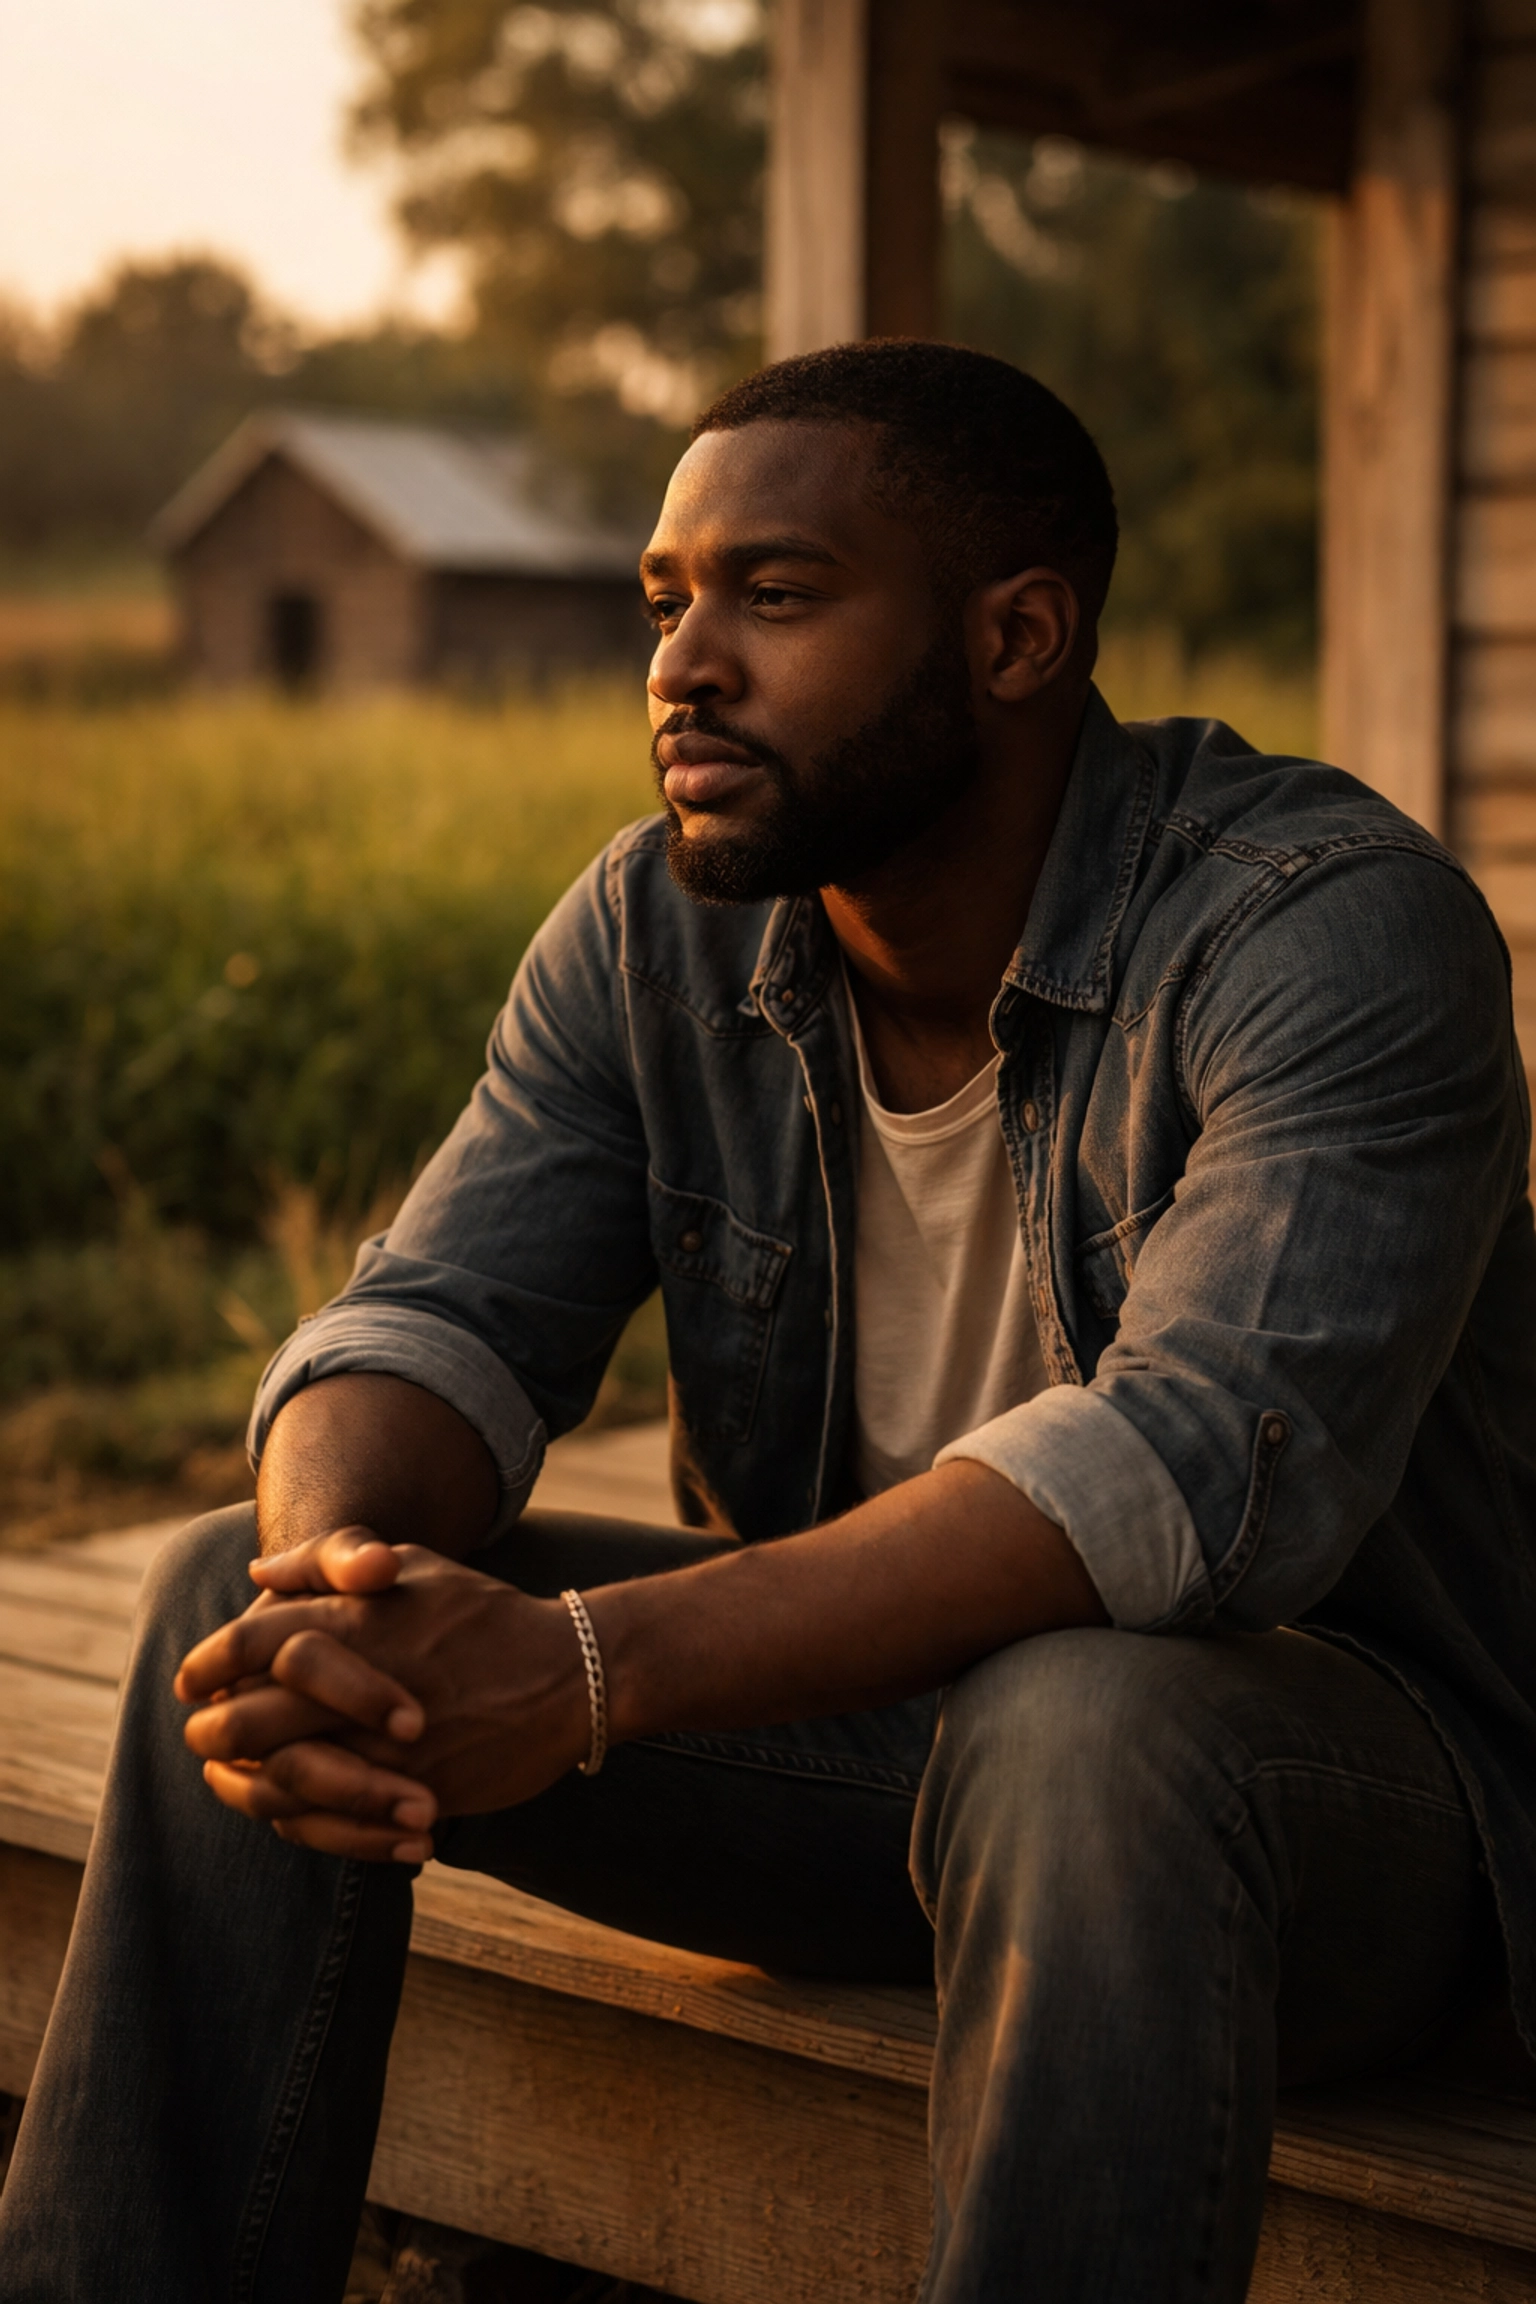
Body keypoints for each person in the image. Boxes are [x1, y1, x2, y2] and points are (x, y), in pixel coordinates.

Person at [3, 339, 1534, 2304]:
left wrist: (577, 1667)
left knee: (1083, 1720)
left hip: (1348, 1831)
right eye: (666, 603)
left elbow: (1184, 1472)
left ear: (1018, 636)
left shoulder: (1321, 927)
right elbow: (438, 1316)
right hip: (868, 1769)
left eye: (776, 596)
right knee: (232, 1593)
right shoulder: (656, 931)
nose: (684, 666)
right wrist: (340, 1595)